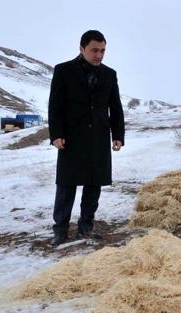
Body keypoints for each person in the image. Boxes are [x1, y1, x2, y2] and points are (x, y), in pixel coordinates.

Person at [48, 30, 125, 246]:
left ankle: (86, 227)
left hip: (98, 138)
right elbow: (55, 107)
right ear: (82, 48)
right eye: (94, 50)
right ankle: (60, 230)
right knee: (66, 185)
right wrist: (56, 135)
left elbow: (115, 107)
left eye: (102, 51)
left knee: (94, 184)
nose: (99, 55)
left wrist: (118, 135)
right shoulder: (63, 71)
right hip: (71, 138)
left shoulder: (109, 74)